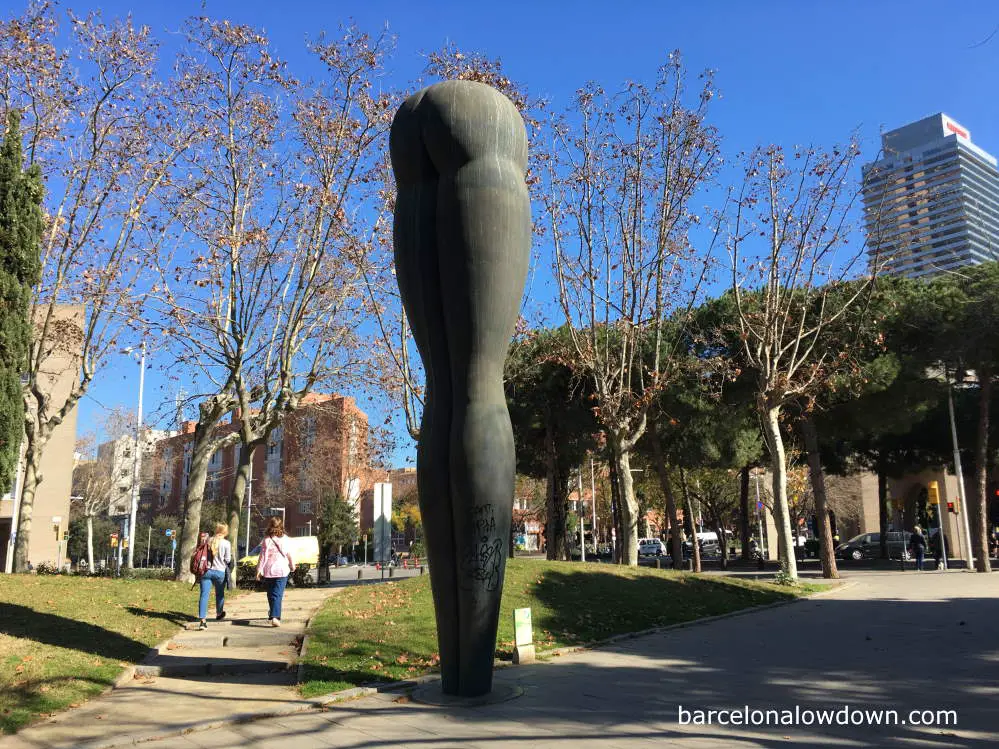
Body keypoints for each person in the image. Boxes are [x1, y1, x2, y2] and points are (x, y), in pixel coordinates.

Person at [256, 516, 294, 627]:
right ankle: (275, 617)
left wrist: (259, 570)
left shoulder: (266, 540)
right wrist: (292, 565)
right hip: (282, 570)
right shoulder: (285, 539)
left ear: (270, 525)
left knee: (271, 594)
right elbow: (289, 554)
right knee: (278, 594)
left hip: (269, 570)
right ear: (281, 526)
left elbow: (262, 556)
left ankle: (273, 613)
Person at [197, 523, 232, 630]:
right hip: (220, 572)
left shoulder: (208, 540)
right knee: (220, 594)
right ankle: (219, 613)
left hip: (206, 571)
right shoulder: (226, 543)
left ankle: (202, 621)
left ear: (216, 530)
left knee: (204, 595)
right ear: (225, 532)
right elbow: (228, 559)